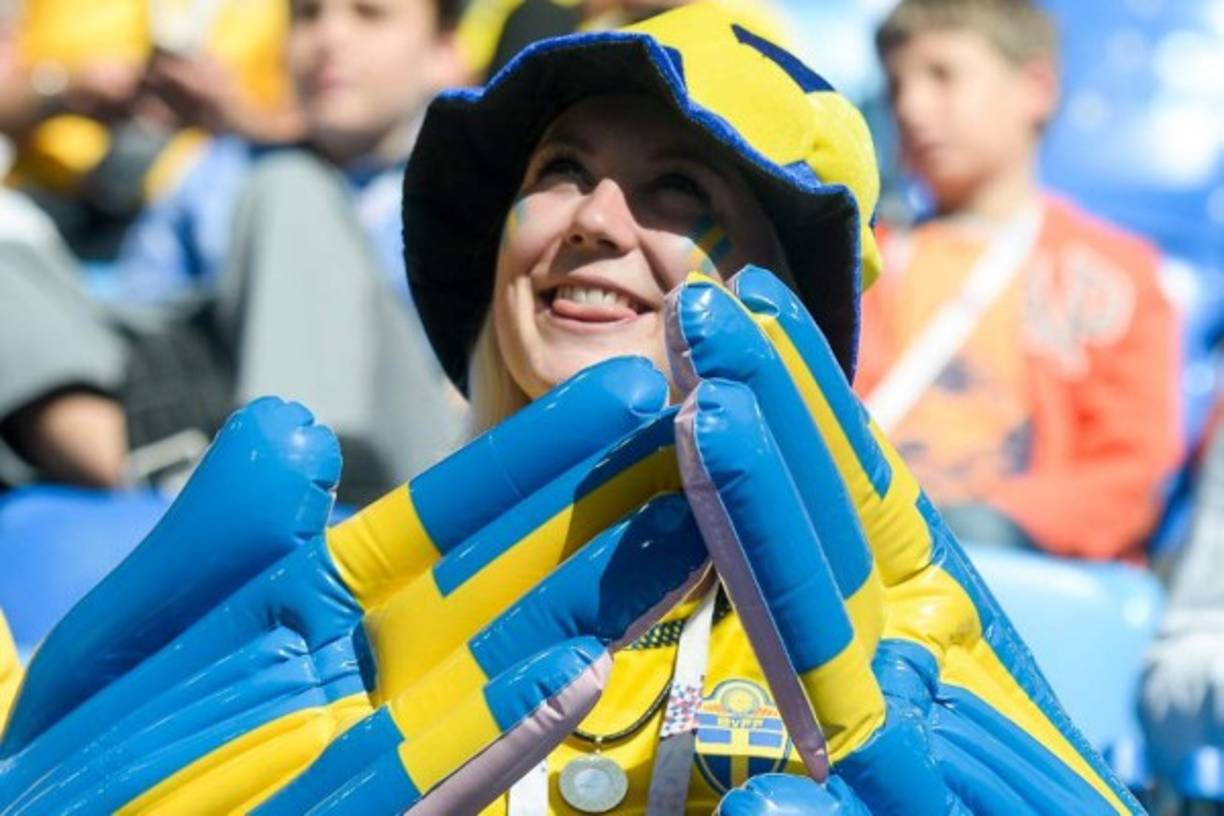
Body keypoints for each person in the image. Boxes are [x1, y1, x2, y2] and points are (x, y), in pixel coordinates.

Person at [0, 4, 1140, 814]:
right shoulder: (297, 626)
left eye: (680, 190)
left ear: (781, 300)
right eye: (557, 170)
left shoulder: (903, 666)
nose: (592, 218)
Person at [854, 0, 1181, 560]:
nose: (910, 107)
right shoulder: (863, 260)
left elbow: (1129, 471)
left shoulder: (1114, 273)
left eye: (942, 75)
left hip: (1018, 574)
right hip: (860, 554)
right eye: (896, 84)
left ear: (1036, 87)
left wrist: (997, 521)